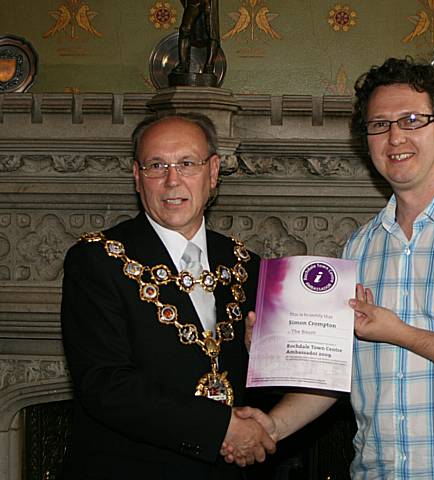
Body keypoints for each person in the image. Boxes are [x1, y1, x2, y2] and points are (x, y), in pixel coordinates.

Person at [229, 57, 434, 479]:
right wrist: (279, 364)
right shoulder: (361, 246)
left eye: (412, 120)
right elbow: (339, 370)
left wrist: (400, 332)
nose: (395, 136)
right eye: (379, 125)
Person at [61, 112, 275, 479]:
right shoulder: (97, 260)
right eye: (156, 165)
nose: (171, 180)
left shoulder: (247, 265)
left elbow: (258, 389)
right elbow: (105, 385)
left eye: (187, 164)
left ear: (213, 172)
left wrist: (264, 360)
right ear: (137, 177)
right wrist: (220, 428)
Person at [172, 0, 220, 75]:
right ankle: (183, 65)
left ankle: (209, 66)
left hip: (208, 2)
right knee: (184, 29)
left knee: (212, 31)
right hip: (193, 2)